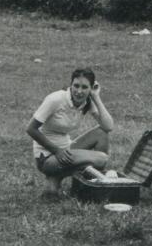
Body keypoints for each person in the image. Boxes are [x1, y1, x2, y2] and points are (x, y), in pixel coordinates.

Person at [26, 67, 114, 195]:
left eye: (84, 87)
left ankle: (61, 177)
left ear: (91, 88)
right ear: (70, 85)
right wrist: (56, 151)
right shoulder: (55, 99)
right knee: (101, 159)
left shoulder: (87, 101)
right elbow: (31, 129)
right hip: (47, 157)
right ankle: (64, 176)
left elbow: (108, 127)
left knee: (101, 133)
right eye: (76, 86)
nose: (79, 91)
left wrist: (96, 97)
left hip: (67, 149)